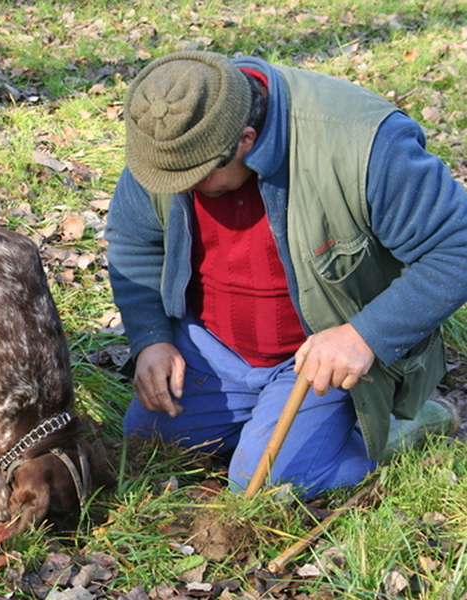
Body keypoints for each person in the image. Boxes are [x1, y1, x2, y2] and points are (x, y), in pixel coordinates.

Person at [104, 51, 466, 496]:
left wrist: (362, 336)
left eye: (195, 179)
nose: (179, 189)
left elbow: (456, 248)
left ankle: (394, 431)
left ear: (245, 141)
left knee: (266, 484)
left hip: (319, 357)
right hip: (214, 345)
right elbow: (132, 242)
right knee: (147, 444)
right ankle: (273, 423)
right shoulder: (172, 141)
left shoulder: (363, 144)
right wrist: (151, 338)